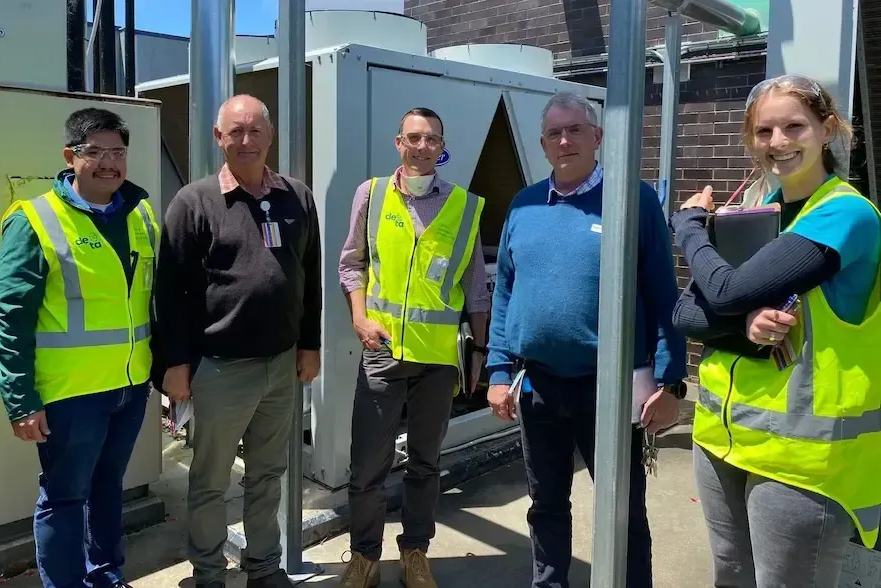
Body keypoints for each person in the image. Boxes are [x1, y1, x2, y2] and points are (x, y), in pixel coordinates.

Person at [671, 73, 881, 587]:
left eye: (794, 126)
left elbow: (718, 293)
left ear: (827, 129)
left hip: (803, 462)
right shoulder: (757, 215)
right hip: (722, 439)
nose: (778, 143)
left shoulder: (844, 215)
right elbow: (686, 313)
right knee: (731, 575)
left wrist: (690, 229)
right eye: (764, 132)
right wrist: (743, 320)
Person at [485, 92, 688, 588]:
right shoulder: (524, 203)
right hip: (538, 387)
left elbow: (664, 292)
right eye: (555, 133)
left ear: (597, 137)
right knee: (546, 506)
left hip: (612, 388)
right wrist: (496, 370)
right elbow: (506, 291)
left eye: (575, 130)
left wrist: (672, 381)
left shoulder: (631, 199)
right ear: (543, 144)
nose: (564, 140)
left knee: (622, 509)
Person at [154, 94, 321, 588]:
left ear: (270, 135)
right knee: (210, 480)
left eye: (255, 131)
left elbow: (307, 277)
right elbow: (170, 290)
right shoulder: (195, 201)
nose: (246, 141)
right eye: (235, 132)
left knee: (267, 475)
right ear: (218, 137)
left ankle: (264, 568)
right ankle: (208, 573)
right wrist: (176, 364)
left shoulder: (297, 196)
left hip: (282, 364)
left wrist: (310, 345)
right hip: (220, 369)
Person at [0, 108, 158, 588]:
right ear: (71, 156)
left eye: (118, 152)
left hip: (129, 388)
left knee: (108, 489)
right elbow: (10, 316)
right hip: (71, 394)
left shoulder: (141, 214)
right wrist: (21, 400)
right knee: (65, 497)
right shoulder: (35, 219)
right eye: (96, 152)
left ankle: (106, 576)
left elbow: (152, 300)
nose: (109, 163)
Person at [336, 107, 489, 588]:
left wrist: (481, 353)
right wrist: (359, 317)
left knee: (426, 463)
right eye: (414, 138)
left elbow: (477, 287)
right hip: (382, 354)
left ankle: (415, 553)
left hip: (438, 360)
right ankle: (364, 556)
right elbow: (351, 264)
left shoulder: (465, 206)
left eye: (432, 140)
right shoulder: (373, 194)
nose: (423, 147)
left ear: (442, 147)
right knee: (367, 467)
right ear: (398, 142)